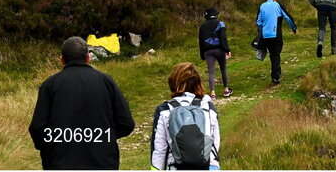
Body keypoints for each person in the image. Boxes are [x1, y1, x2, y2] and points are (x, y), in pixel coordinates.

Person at [29, 37, 135, 170]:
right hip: (102, 162)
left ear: (62, 60)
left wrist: (50, 147)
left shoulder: (50, 85)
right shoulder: (106, 82)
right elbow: (126, 123)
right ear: (88, 58)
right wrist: (105, 137)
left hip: (60, 163)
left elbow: (37, 127)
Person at [150, 63, 220, 170]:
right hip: (208, 166)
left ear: (173, 83)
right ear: (198, 82)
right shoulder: (208, 107)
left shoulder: (165, 110)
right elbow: (215, 142)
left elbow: (159, 150)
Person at [255, 0, 297, 85]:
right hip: (276, 35)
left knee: (273, 54)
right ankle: (275, 76)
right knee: (276, 54)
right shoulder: (278, 5)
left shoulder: (261, 6)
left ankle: (277, 71)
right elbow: (288, 17)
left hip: (265, 36)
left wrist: (260, 34)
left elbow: (258, 22)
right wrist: (294, 28)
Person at [198, 8, 232, 100]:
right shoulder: (221, 23)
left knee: (211, 72)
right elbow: (223, 37)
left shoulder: (202, 26)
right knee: (223, 69)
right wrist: (227, 49)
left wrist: (202, 54)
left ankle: (213, 93)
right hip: (220, 50)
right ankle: (226, 89)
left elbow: (201, 42)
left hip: (208, 52)